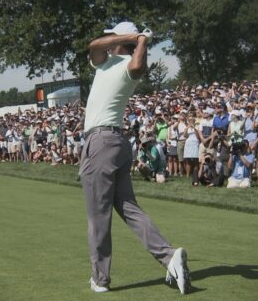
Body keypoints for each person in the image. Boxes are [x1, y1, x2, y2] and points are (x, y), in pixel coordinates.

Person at [79, 21, 191, 294]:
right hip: (115, 143)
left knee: (98, 215)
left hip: (102, 142)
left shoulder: (130, 65)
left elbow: (139, 65)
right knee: (129, 208)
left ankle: (100, 279)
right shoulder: (103, 60)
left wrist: (141, 42)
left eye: (112, 37)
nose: (107, 40)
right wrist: (135, 36)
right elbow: (94, 46)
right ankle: (169, 256)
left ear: (122, 41)